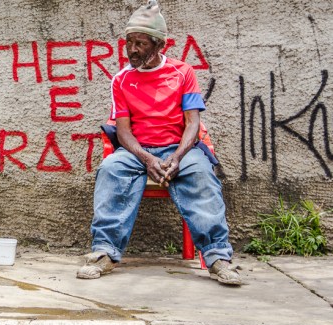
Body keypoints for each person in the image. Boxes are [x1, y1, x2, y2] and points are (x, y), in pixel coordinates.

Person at [76, 0, 242, 285]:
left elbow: (193, 123)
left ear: (158, 45)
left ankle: (218, 258)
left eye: (140, 43)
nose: (132, 49)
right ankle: (104, 252)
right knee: (111, 170)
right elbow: (123, 130)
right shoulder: (121, 79)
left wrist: (177, 157)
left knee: (202, 174)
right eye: (129, 42)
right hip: (137, 150)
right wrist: (146, 158)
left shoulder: (183, 73)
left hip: (178, 148)